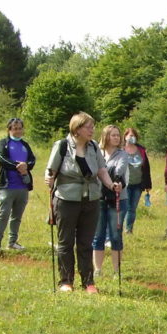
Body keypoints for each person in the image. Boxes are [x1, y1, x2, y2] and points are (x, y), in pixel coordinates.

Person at [45, 112, 122, 293]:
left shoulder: (94, 147)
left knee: (86, 242)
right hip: (66, 199)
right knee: (65, 242)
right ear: (77, 129)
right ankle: (66, 281)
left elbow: (102, 170)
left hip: (92, 199)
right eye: (88, 127)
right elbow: (51, 170)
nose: (92, 130)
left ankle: (88, 282)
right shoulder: (62, 146)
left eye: (93, 127)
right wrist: (48, 180)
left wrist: (112, 185)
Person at [0, 117, 36, 255]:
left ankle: (12, 242)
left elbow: (32, 160)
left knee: (17, 216)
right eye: (14, 128)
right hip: (7, 186)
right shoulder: (3, 143)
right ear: (9, 129)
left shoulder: (25, 145)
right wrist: (18, 166)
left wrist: (26, 166)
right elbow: (1, 159)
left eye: (20, 128)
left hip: (22, 187)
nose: (17, 131)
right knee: (3, 215)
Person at [91, 125, 129, 279]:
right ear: (105, 136)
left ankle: (116, 271)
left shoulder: (123, 154)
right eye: (113, 135)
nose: (116, 138)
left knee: (115, 235)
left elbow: (119, 171)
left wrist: (117, 182)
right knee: (98, 235)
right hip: (98, 197)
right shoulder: (96, 152)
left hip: (118, 197)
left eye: (118, 135)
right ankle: (97, 270)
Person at [121, 127, 152, 234]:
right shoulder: (120, 149)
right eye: (130, 135)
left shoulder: (141, 150)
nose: (132, 137)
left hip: (138, 184)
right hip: (125, 184)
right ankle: (121, 228)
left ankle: (129, 230)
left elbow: (146, 168)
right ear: (125, 137)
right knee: (126, 207)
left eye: (133, 135)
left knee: (132, 208)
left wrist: (148, 184)